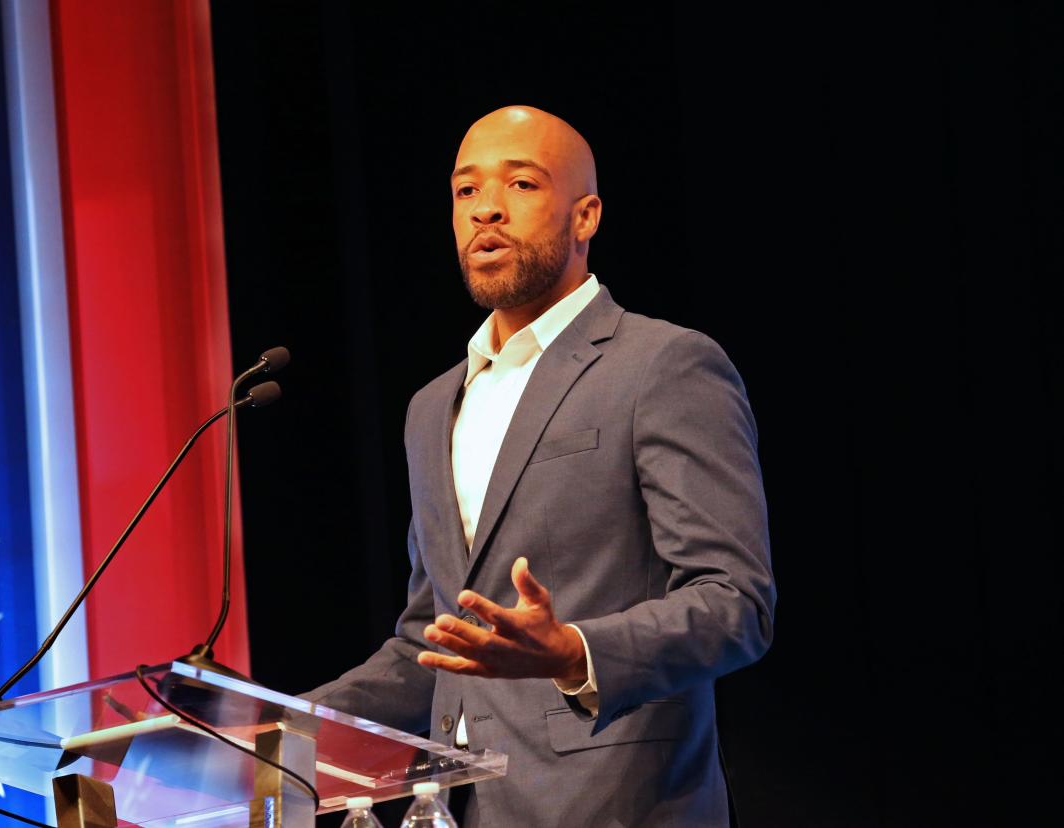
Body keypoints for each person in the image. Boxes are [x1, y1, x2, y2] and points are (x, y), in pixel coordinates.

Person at [303, 105, 776, 826]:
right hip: (455, 811)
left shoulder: (662, 365)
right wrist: (277, 734)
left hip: (614, 805)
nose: (486, 208)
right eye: (466, 192)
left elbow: (734, 603)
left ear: (584, 216)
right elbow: (429, 642)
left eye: (520, 184)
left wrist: (574, 651)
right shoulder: (431, 409)